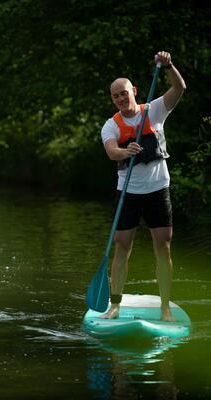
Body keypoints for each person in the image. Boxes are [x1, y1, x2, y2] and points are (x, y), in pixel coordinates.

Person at [100, 51, 186, 322]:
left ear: (133, 91)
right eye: (115, 96)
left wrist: (168, 65)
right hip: (128, 194)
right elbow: (112, 151)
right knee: (121, 246)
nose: (120, 99)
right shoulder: (110, 125)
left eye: (124, 93)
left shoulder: (156, 109)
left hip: (158, 190)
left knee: (164, 247)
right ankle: (115, 305)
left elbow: (179, 88)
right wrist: (126, 152)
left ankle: (164, 308)